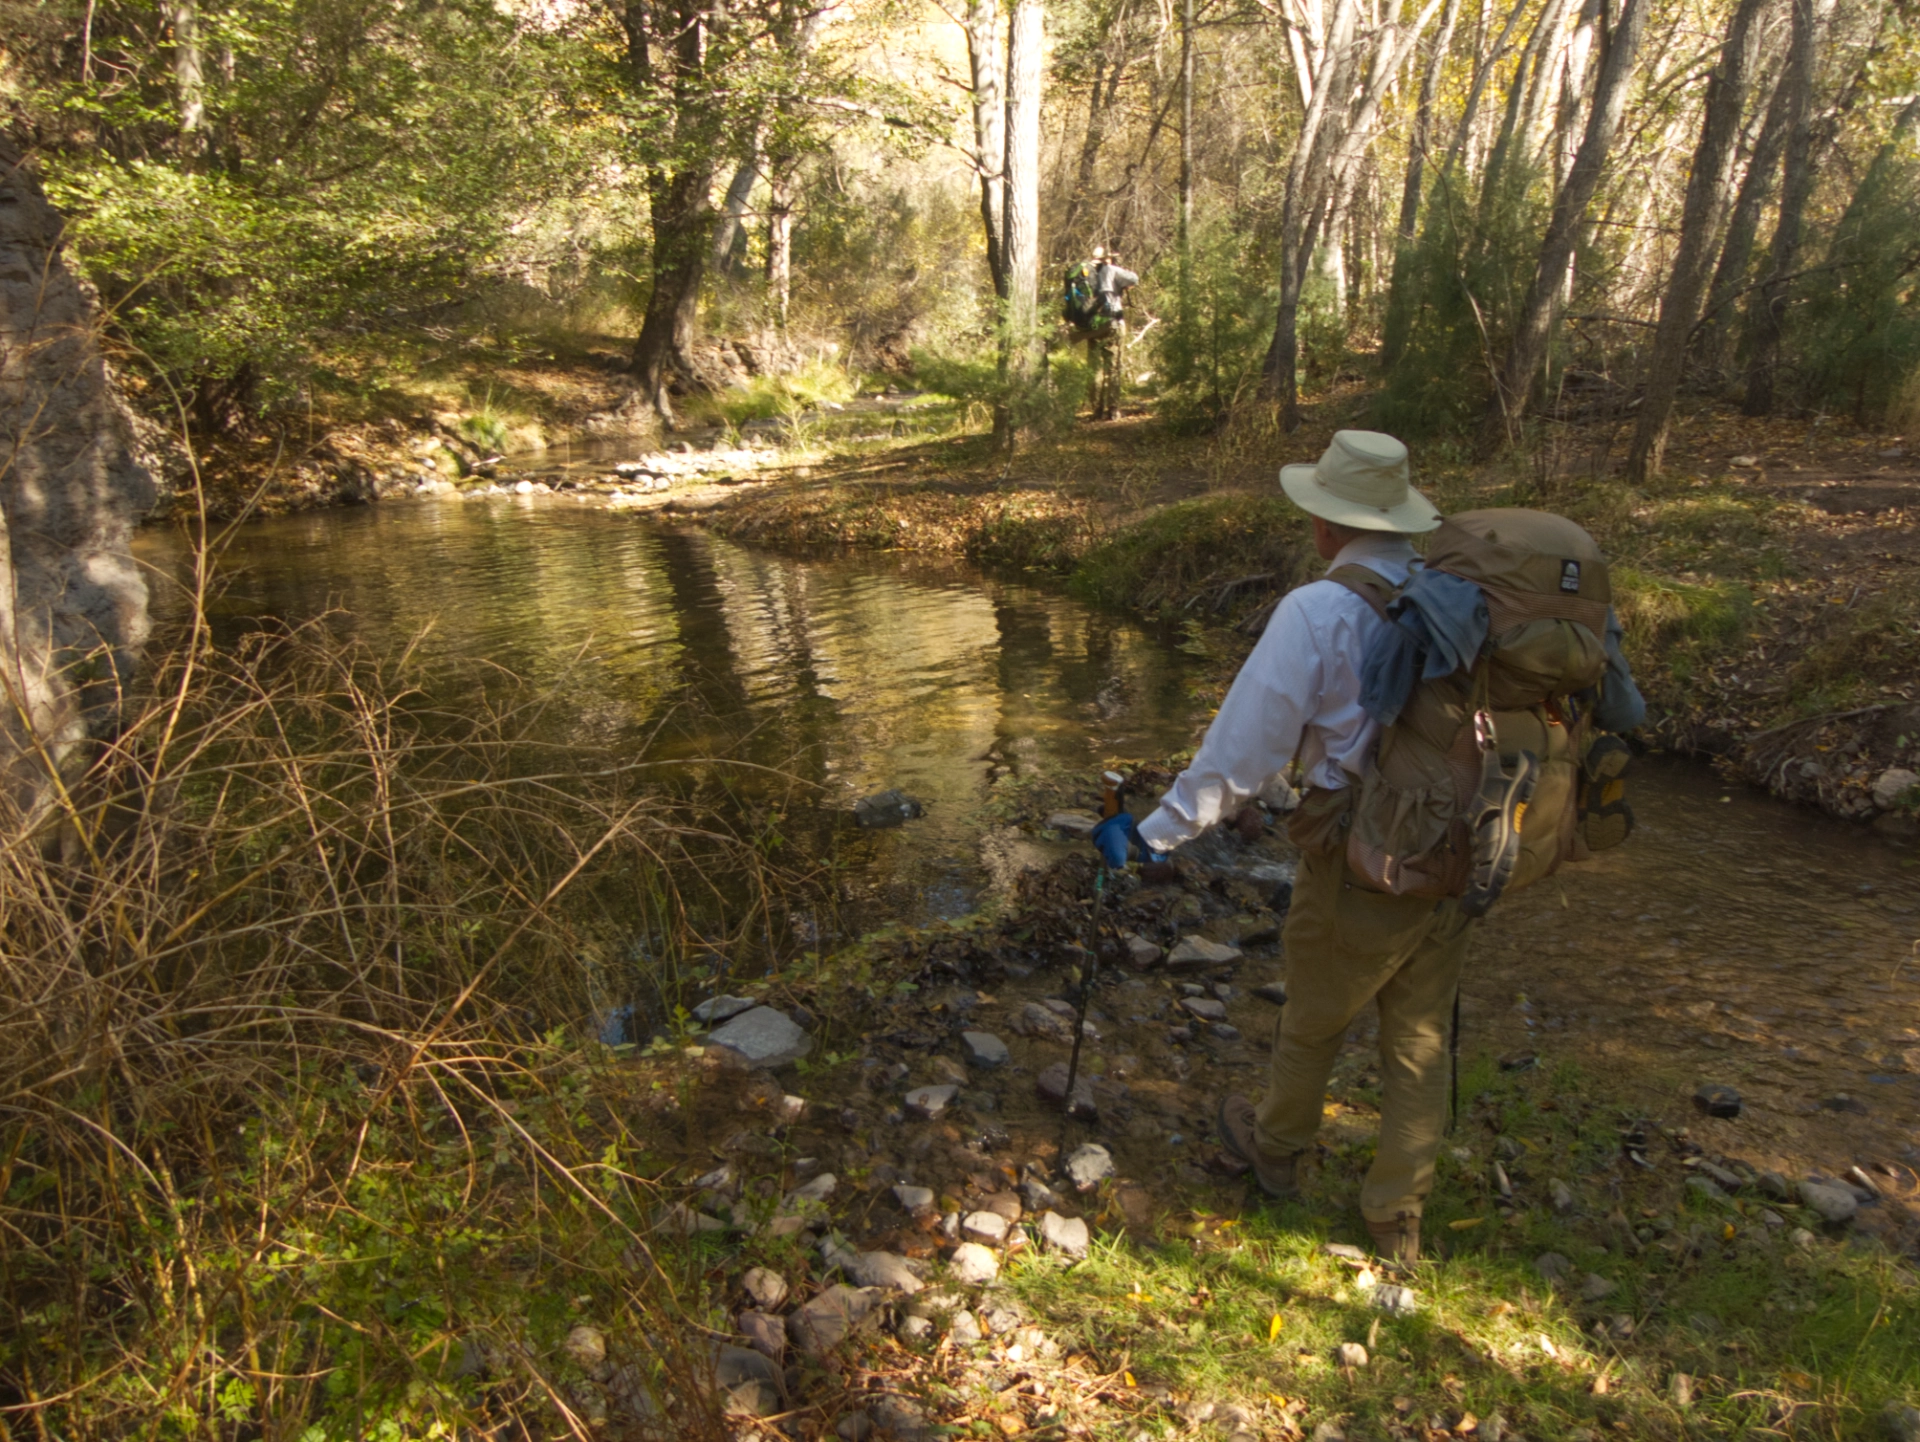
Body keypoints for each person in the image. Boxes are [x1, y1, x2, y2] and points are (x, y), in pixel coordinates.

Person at [1093, 430, 1459, 1264]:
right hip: (1458, 848)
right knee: (1419, 1037)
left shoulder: (1319, 609)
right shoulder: (1447, 592)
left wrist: (1155, 834)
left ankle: (1278, 1156)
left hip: (1360, 852)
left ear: (1327, 525)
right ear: (1400, 519)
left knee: (1314, 1016)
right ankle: (1397, 1217)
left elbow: (1245, 752)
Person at [1087, 246, 1138, 420]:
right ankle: (1113, 409)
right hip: (1112, 323)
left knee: (1095, 368)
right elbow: (1134, 278)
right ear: (1106, 258)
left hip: (1092, 325)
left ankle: (1096, 409)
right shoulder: (1111, 270)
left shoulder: (1086, 273)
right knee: (1113, 366)